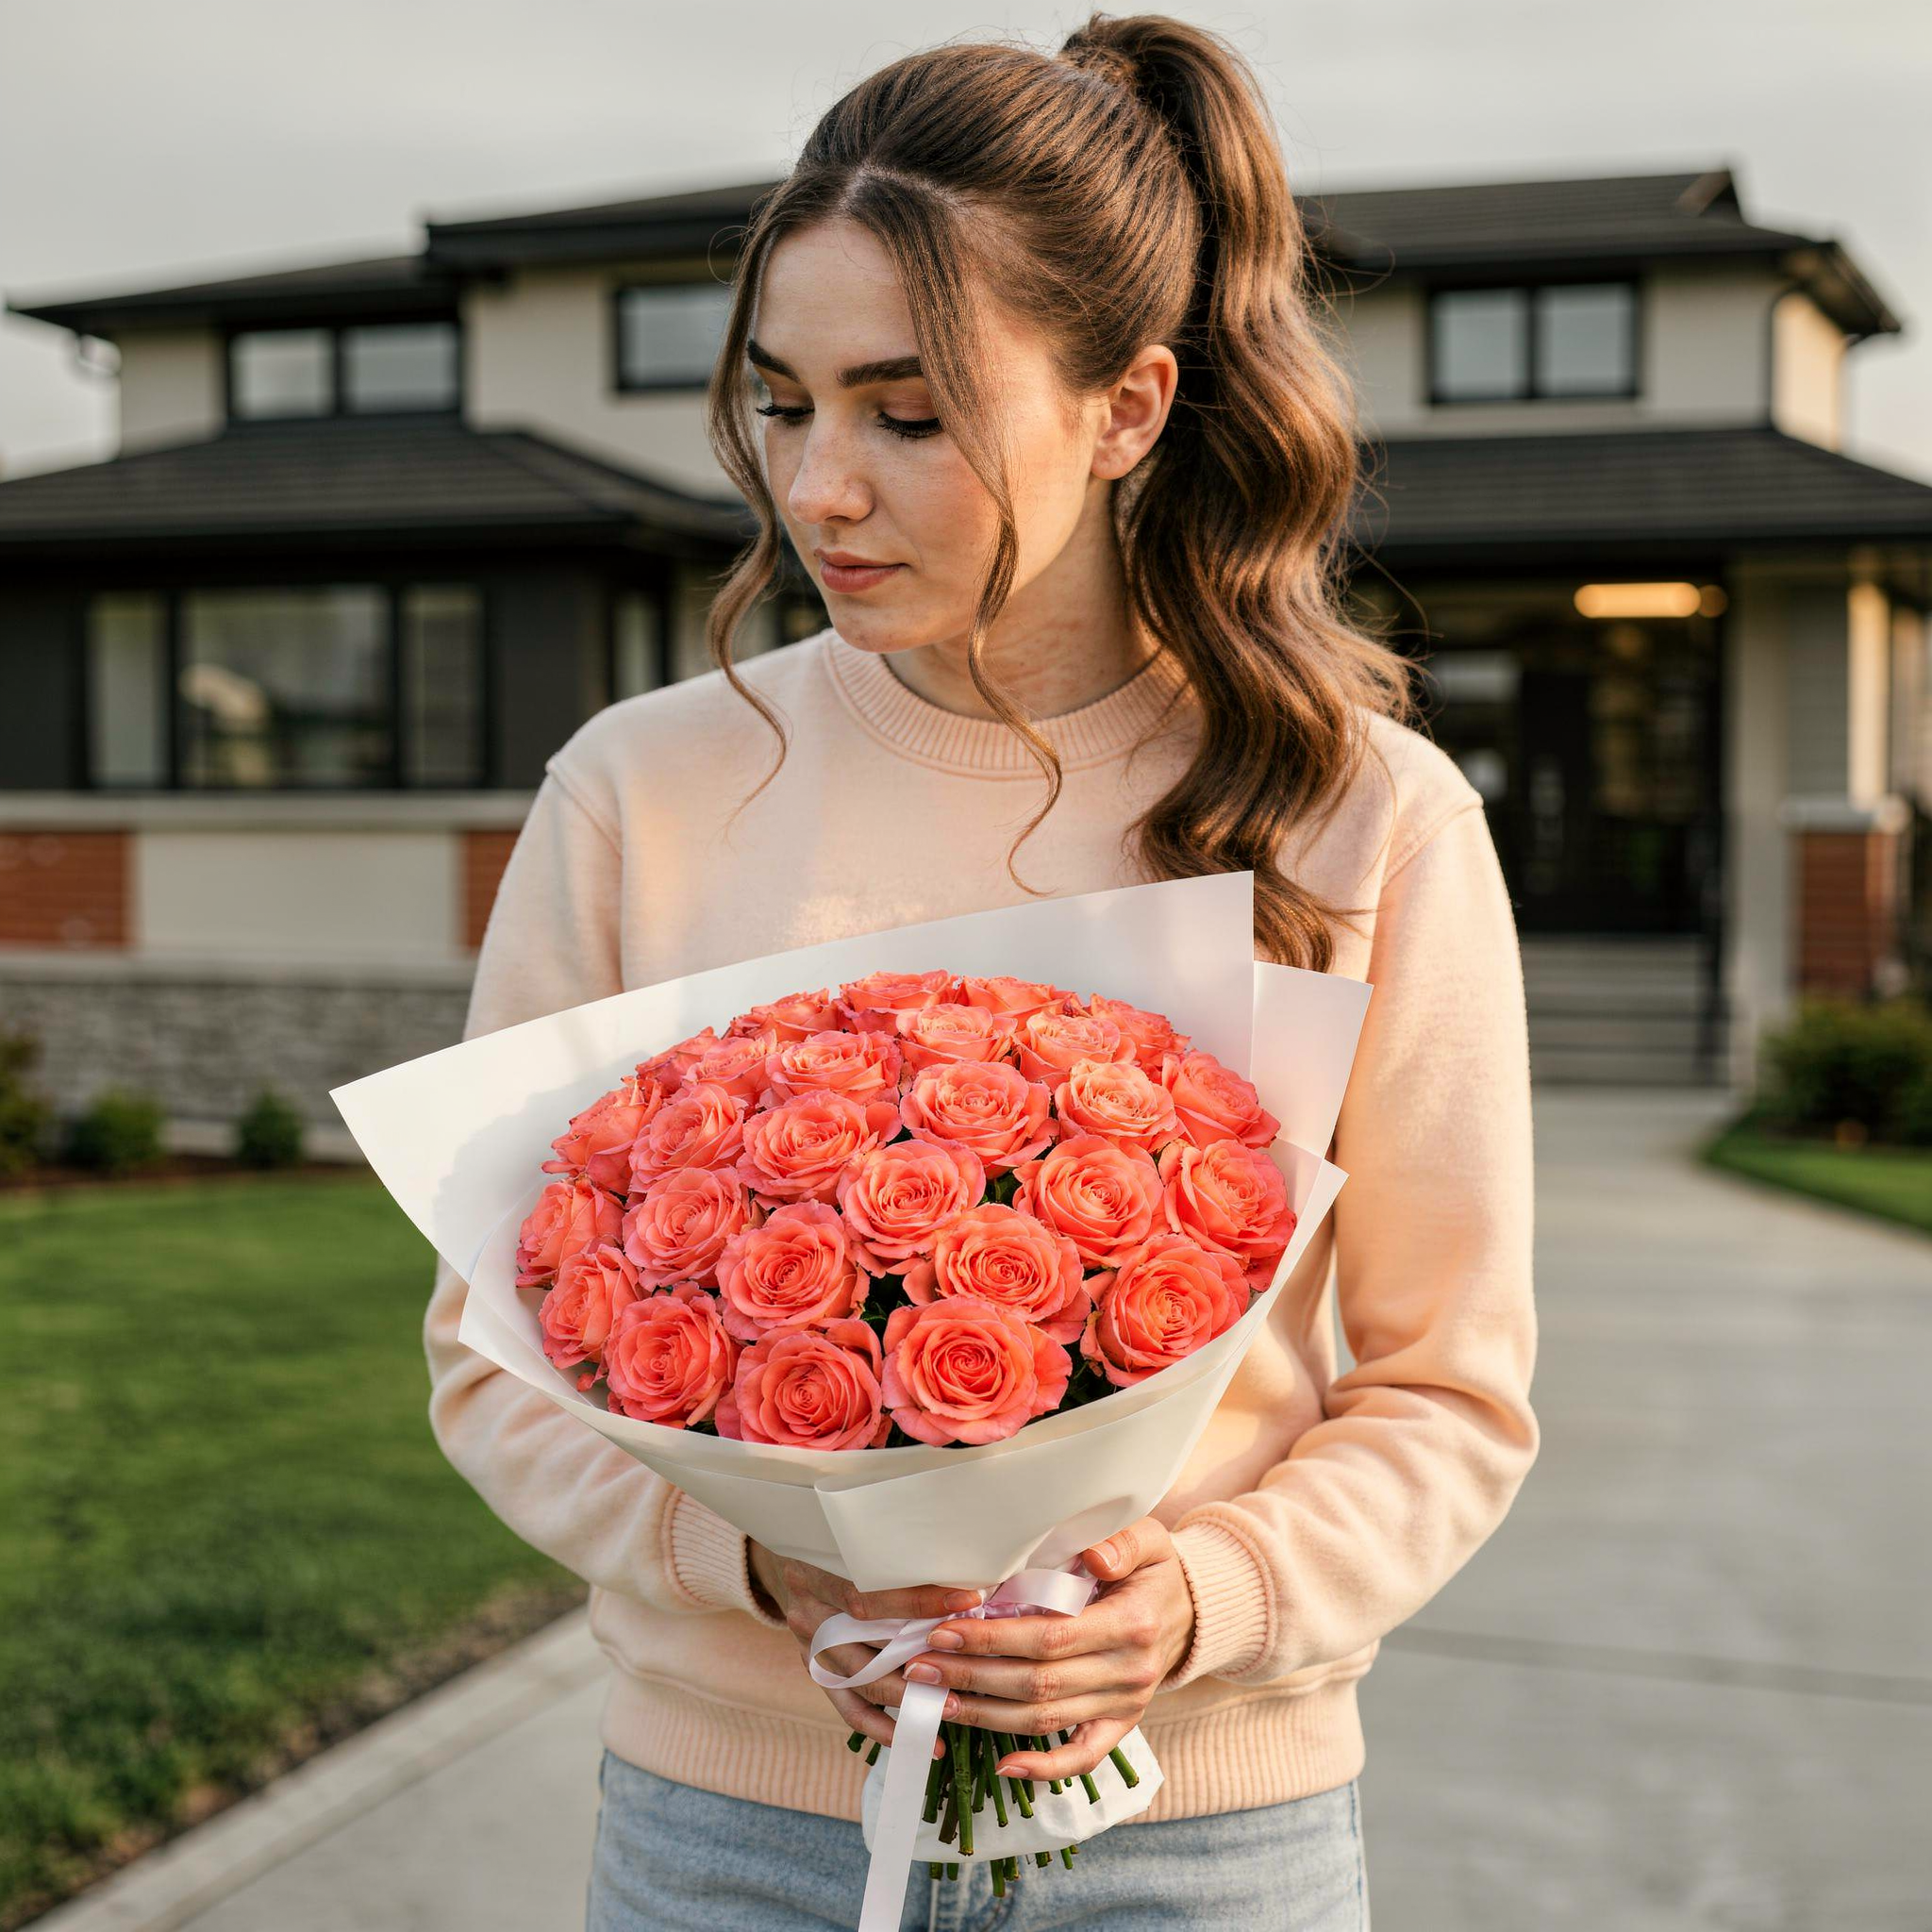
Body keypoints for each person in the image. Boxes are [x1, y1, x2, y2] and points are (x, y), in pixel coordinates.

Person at [421, 11, 1538, 1929]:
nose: (819, 488)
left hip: (1202, 1844)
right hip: (730, 1832)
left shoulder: (1369, 820)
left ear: (1124, 408)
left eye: (908, 411)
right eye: (784, 402)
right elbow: (490, 1348)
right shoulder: (642, 791)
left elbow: (1449, 1389)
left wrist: (1193, 1604)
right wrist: (763, 1562)